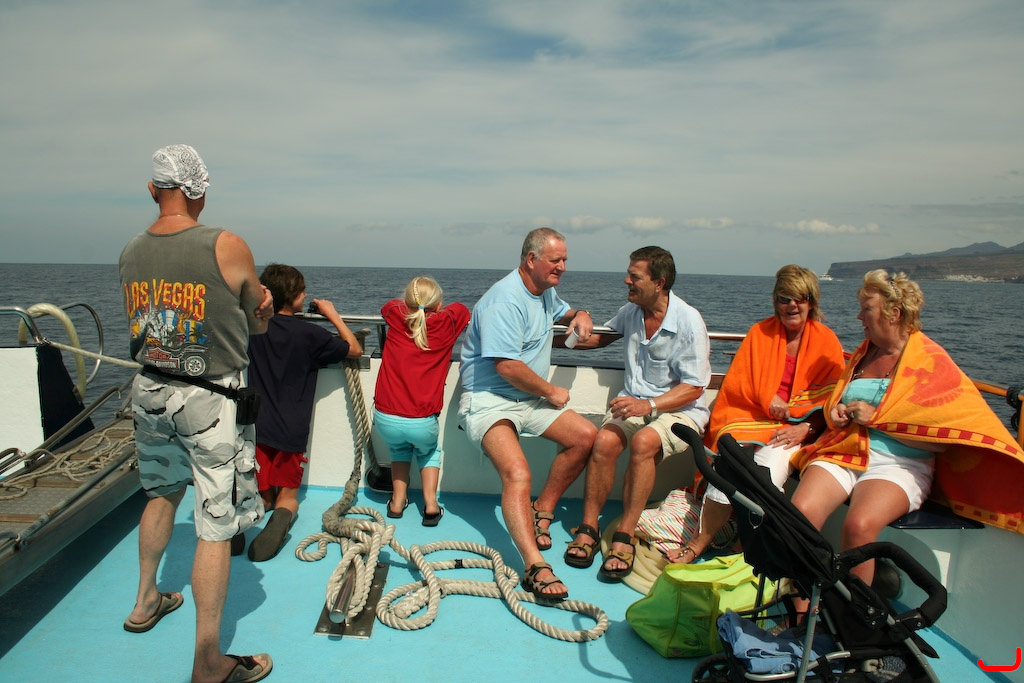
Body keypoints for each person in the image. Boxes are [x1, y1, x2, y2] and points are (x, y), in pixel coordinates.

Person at [119, 144, 274, 682]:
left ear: (152, 189)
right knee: (215, 521)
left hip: (149, 389)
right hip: (209, 398)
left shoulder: (131, 250)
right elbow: (257, 324)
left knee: (161, 493)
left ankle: (145, 601)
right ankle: (209, 662)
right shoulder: (226, 244)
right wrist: (264, 308)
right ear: (199, 190)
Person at [790, 270, 1024, 586]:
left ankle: (854, 611)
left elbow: (940, 441)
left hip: (900, 464)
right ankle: (802, 602)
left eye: (866, 309)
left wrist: (876, 418)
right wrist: (838, 412)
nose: (859, 316)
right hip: (845, 450)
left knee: (859, 526)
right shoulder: (865, 352)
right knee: (800, 513)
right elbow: (839, 398)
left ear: (894, 313)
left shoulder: (930, 361)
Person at [667, 265, 845, 563]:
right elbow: (739, 382)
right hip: (750, 417)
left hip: (796, 429)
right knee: (728, 465)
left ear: (811, 301)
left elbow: (831, 399)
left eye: (799, 298)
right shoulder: (759, 333)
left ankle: (744, 547)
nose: (791, 305)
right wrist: (767, 397)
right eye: (784, 298)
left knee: (768, 476)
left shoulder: (827, 342)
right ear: (776, 301)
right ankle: (699, 542)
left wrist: (805, 428)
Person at [458, 227, 598, 600]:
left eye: (565, 259)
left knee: (585, 437)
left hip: (527, 398)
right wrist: (551, 390)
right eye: (556, 260)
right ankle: (534, 565)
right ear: (531, 260)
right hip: (490, 399)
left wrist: (581, 313)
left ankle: (542, 511)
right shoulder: (504, 301)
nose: (563, 267)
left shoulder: (543, 290)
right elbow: (506, 366)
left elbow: (565, 311)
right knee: (518, 473)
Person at [564, 246, 711, 581]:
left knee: (644, 442)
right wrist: (561, 335)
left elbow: (694, 388)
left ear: (659, 283)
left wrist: (649, 405)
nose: (626, 280)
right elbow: (598, 339)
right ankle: (588, 527)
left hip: (681, 410)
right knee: (604, 442)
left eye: (635, 276)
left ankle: (625, 534)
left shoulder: (689, 321)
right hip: (636, 404)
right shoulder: (632, 311)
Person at [245, 264, 362, 561]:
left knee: (263, 492)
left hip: (256, 426)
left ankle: (252, 514)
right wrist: (332, 314)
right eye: (302, 292)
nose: (306, 296)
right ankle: (282, 516)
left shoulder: (253, 328)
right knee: (288, 496)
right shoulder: (310, 334)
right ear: (294, 296)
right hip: (291, 430)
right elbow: (354, 349)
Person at [374, 276, 470, 526]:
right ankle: (430, 506)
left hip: (385, 417)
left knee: (398, 449)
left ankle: (397, 503)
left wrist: (413, 306)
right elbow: (461, 309)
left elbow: (389, 306)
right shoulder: (447, 324)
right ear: (437, 304)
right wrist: (437, 310)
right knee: (429, 452)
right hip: (422, 421)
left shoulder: (396, 316)